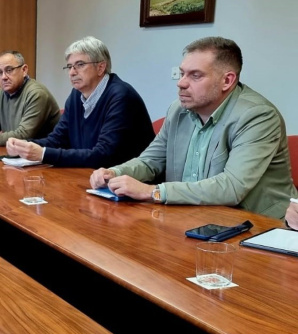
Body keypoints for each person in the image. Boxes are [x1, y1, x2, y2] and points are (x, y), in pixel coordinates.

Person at [90, 37, 297, 218]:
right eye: (181, 73)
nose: (181, 83)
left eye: (195, 75)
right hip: (194, 217)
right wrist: (115, 173)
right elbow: (151, 161)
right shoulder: (178, 110)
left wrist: (153, 192)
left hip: (257, 227)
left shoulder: (257, 116)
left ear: (227, 80)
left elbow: (232, 187)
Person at [6, 36, 154, 168]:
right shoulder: (76, 95)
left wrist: (43, 154)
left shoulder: (121, 96)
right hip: (90, 177)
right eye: (69, 66)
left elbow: (104, 155)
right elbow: (58, 139)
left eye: (80, 65)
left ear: (101, 67)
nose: (72, 72)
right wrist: (25, 145)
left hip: (128, 184)